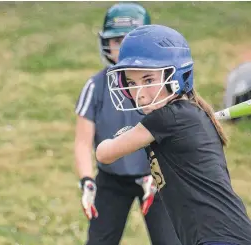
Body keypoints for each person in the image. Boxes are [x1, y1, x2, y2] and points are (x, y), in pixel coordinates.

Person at [96, 24, 251, 245]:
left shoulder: (165, 119)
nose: (140, 94)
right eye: (131, 83)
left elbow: (104, 153)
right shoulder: (184, 115)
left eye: (148, 80)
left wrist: (120, 137)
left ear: (176, 75)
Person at [74, 4, 181, 245]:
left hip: (157, 177)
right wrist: (86, 180)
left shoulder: (163, 85)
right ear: (106, 43)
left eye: (130, 39)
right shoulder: (95, 86)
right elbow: (82, 142)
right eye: (117, 40)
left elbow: (176, 135)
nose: (123, 47)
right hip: (112, 179)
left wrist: (164, 172)